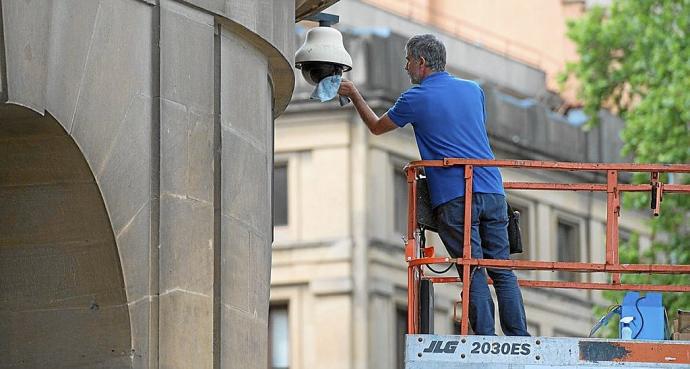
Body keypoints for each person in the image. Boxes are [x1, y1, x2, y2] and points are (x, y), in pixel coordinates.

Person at [337, 34, 529, 336]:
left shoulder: (415, 98)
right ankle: (519, 340)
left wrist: (353, 93)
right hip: (492, 189)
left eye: (408, 60)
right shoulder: (473, 90)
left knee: (472, 269)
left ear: (421, 62)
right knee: (501, 269)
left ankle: (486, 342)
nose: (405, 66)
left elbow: (376, 127)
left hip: (455, 196)